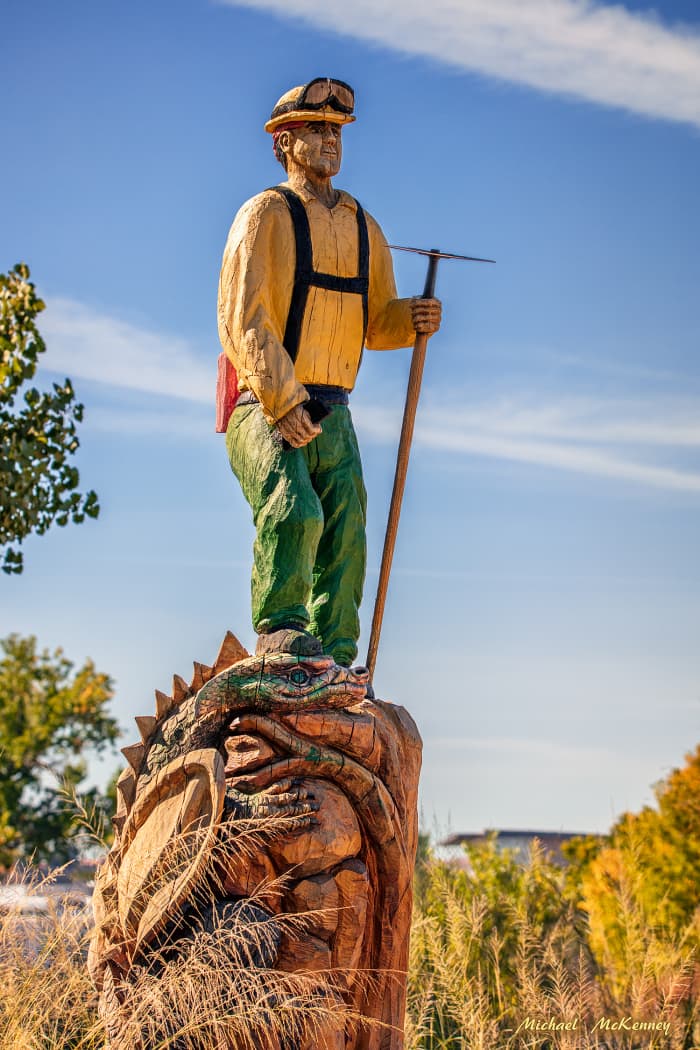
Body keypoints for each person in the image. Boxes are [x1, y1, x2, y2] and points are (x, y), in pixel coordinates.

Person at [217, 78, 441, 667]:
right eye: (315, 129)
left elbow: (377, 322)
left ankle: (336, 651)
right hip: (266, 404)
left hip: (334, 407)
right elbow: (246, 318)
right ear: (283, 144)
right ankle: (283, 632)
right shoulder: (265, 214)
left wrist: (411, 319)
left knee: (347, 530)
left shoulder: (364, 225)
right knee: (294, 509)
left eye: (335, 131)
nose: (328, 141)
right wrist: (281, 399)